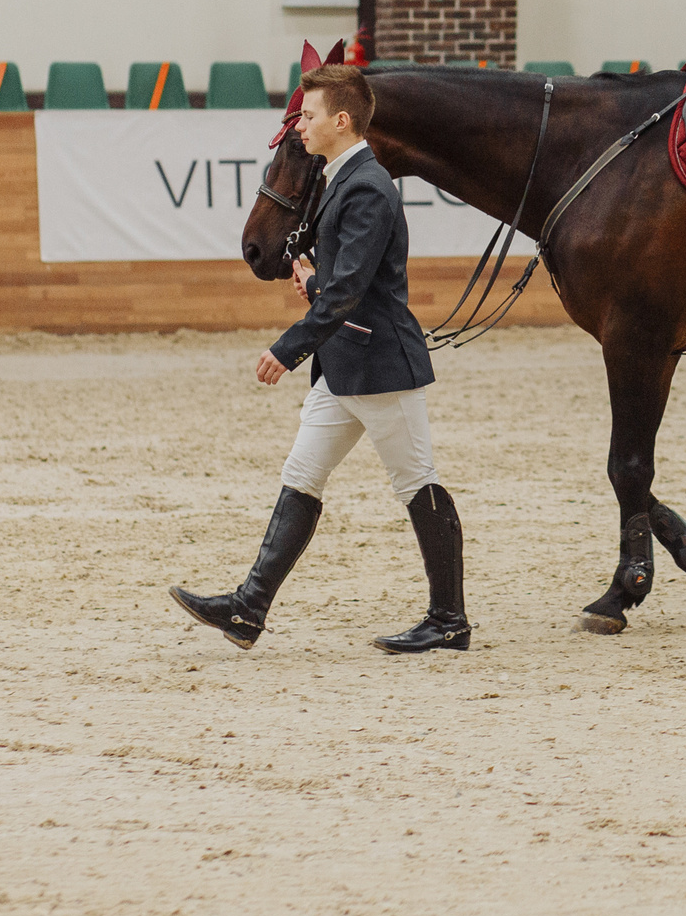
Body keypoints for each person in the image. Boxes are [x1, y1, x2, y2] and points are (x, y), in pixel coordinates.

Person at [168, 63, 466, 655]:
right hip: (346, 364)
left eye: (307, 116)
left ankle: (449, 620)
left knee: (417, 482)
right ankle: (249, 608)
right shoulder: (342, 182)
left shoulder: (368, 187)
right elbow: (346, 281)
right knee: (302, 475)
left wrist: (287, 347)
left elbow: (353, 290)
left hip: (379, 366)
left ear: (342, 120)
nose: (299, 127)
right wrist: (314, 281)